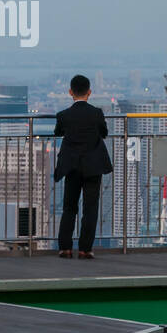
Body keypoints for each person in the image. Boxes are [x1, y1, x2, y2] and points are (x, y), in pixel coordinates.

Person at [53, 75, 113, 259]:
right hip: (93, 166)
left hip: (72, 166)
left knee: (69, 207)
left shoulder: (63, 115)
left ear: (70, 92)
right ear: (89, 92)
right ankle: (85, 249)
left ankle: (65, 248)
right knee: (90, 208)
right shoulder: (96, 113)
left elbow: (58, 132)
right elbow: (104, 133)